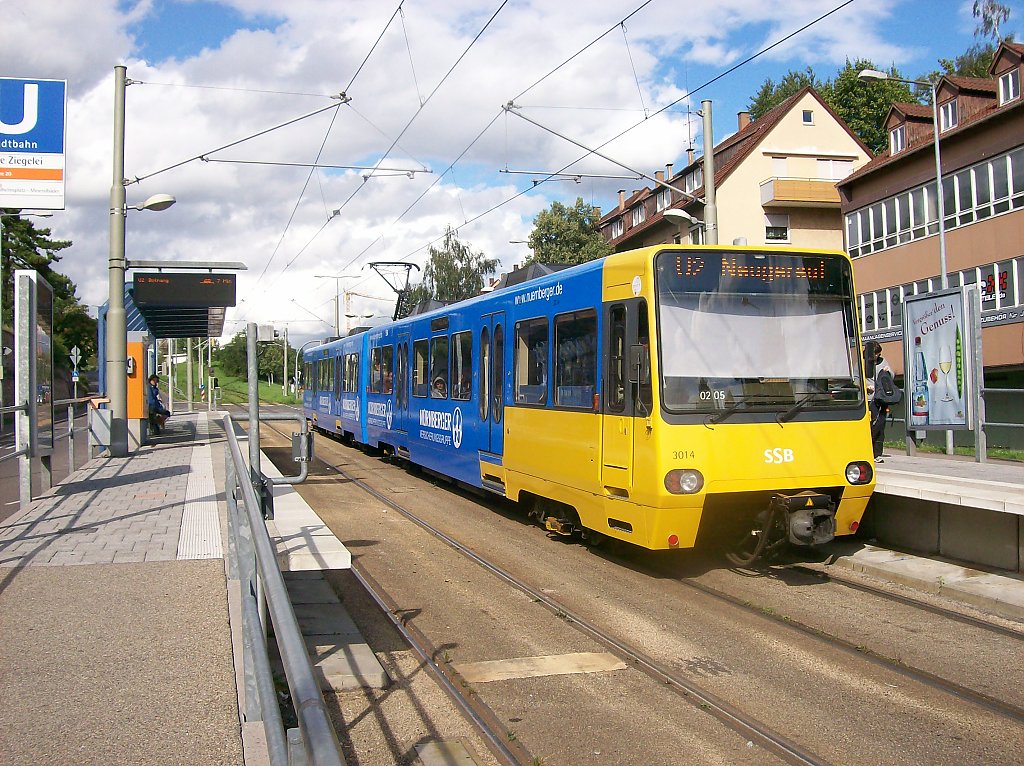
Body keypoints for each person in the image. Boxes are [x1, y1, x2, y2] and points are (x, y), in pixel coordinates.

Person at [863, 341, 892, 463]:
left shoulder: (883, 362)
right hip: (869, 398)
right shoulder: (862, 363)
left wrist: (888, 373)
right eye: (875, 355)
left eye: (878, 355)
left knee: (880, 425)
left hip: (881, 398)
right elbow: (856, 379)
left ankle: (877, 453)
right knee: (872, 425)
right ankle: (867, 449)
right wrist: (866, 386)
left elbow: (891, 376)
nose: (876, 357)